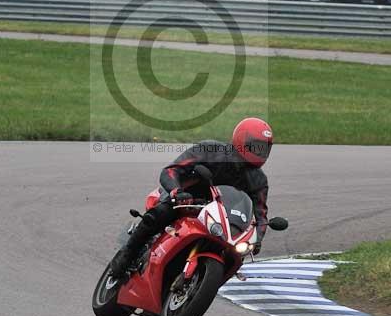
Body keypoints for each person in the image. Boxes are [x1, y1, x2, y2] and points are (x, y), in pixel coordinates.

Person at [110, 117, 272, 278]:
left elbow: (260, 214)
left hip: (221, 219)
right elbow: (171, 170)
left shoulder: (259, 181)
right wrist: (176, 191)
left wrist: (257, 238)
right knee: (161, 213)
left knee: (235, 255)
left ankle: (205, 281)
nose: (260, 152)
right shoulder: (210, 150)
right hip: (186, 200)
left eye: (264, 148)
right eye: (256, 147)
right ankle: (128, 253)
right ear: (241, 140)